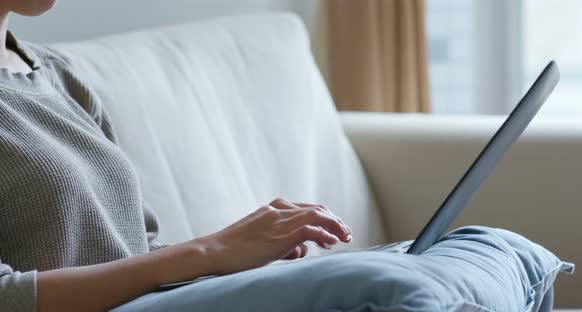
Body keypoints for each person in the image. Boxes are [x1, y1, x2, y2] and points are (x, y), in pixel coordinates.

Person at [0, 1, 354, 311]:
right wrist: (211, 251)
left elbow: (138, 249)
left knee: (365, 279)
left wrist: (244, 252)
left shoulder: (59, 76)